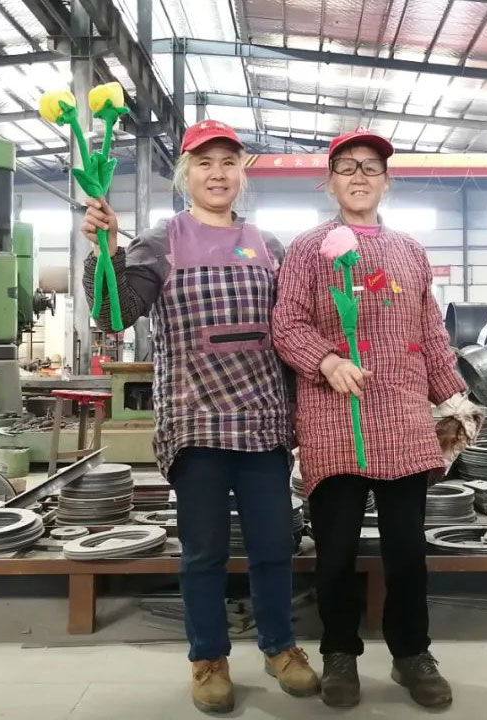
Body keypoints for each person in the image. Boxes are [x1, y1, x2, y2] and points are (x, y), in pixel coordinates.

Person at [82, 120, 319, 714]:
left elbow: (292, 328)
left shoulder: (270, 246)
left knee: (274, 546)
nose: (218, 174)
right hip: (195, 421)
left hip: (262, 421)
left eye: (228, 162)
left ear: (242, 174)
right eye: (205, 163)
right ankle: (208, 657)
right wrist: (104, 253)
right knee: (204, 552)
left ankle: (280, 647)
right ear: (186, 174)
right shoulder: (161, 241)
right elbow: (114, 315)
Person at [272, 129, 470, 710]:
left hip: (403, 418)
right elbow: (287, 324)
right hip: (335, 419)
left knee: (407, 550)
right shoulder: (309, 248)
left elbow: (430, 333)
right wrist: (326, 361)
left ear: (387, 180)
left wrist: (455, 399)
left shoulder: (410, 251)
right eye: (347, 166)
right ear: (329, 181)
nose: (359, 176)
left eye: (371, 166)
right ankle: (339, 653)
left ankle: (412, 655)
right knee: (334, 552)